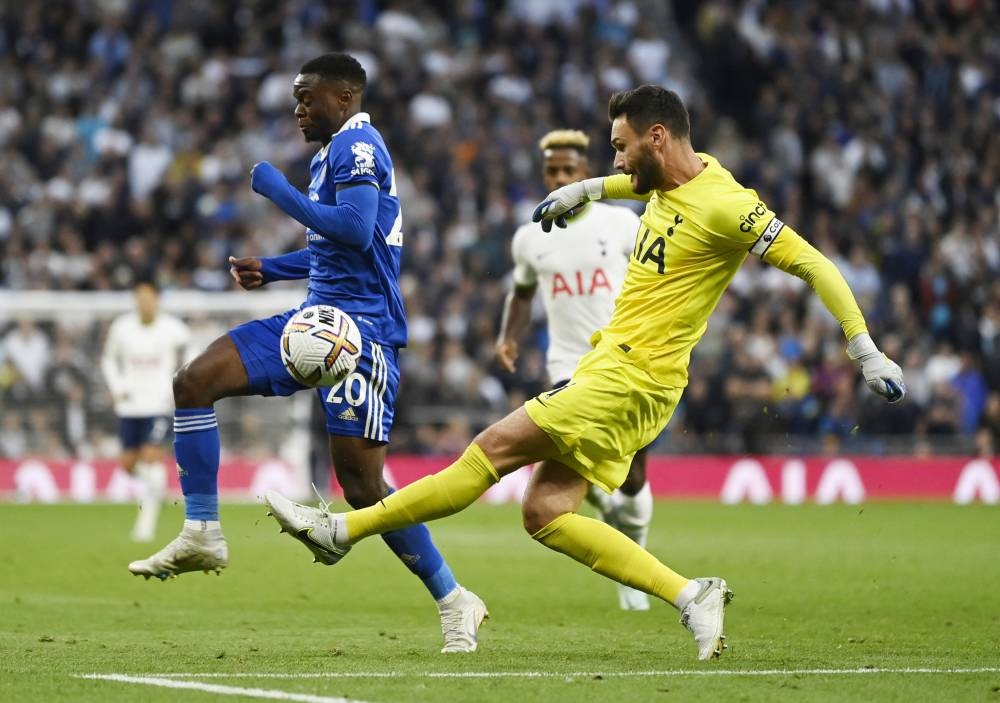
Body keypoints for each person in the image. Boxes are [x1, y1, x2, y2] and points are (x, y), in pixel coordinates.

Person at [264, 85, 905, 660]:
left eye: (621, 147)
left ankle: (342, 530)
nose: (618, 160)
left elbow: (815, 264)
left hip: (630, 377)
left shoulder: (728, 206)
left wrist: (862, 346)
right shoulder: (673, 181)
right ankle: (691, 594)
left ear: (657, 137)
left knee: (489, 452)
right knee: (544, 512)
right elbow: (636, 185)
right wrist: (589, 189)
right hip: (622, 372)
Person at [128, 53, 487, 654]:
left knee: (363, 487)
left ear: (343, 98)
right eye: (296, 99)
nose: (297, 110)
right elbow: (338, 249)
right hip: (312, 320)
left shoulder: (360, 146)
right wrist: (272, 269)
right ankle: (202, 531)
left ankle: (455, 599)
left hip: (361, 335)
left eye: (306, 98)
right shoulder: (332, 152)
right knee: (193, 381)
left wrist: (278, 192)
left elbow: (352, 227)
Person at [495, 129, 653, 611]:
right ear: (544, 174)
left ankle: (633, 550)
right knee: (566, 471)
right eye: (552, 171)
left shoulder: (623, 223)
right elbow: (521, 293)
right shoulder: (529, 238)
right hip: (569, 371)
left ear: (585, 173)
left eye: (569, 170)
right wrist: (509, 336)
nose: (560, 177)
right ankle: (632, 573)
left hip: (626, 365)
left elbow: (655, 277)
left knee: (631, 479)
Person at [101, 281, 190, 542]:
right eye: (139, 298)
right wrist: (117, 386)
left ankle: (145, 525)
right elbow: (108, 359)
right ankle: (158, 488)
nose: (144, 303)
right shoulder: (122, 328)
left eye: (148, 298)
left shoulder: (173, 328)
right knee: (128, 465)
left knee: (151, 457)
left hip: (159, 405)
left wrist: (181, 382)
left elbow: (191, 350)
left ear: (157, 300)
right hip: (129, 405)